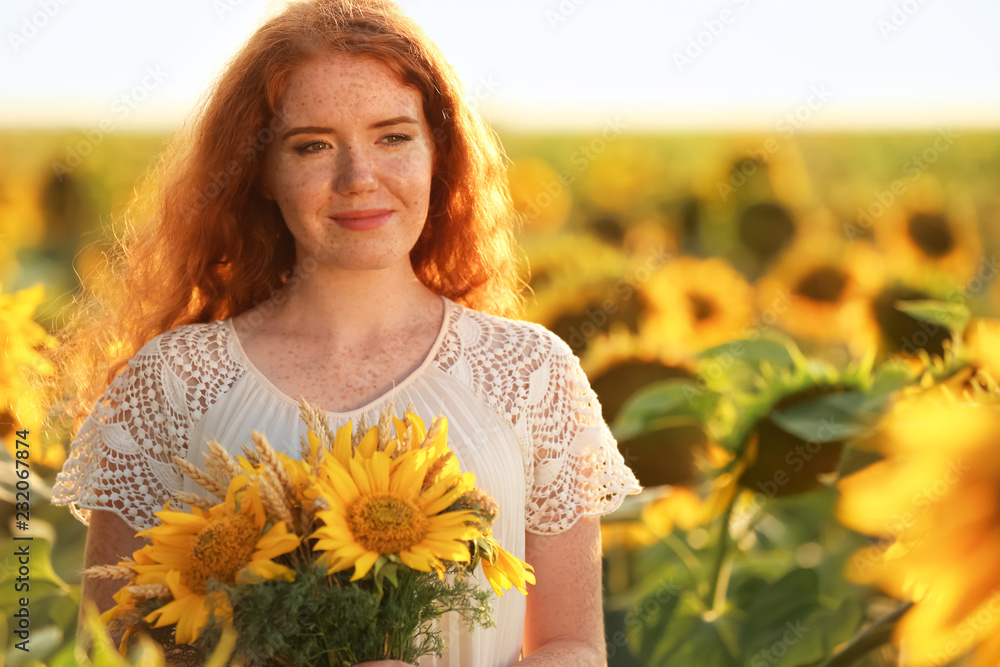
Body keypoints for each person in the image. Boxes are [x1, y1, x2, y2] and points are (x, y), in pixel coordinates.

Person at [51, 1, 641, 664]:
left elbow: (572, 644)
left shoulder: (531, 371)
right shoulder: (175, 379)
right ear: (262, 171)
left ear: (436, 153)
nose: (359, 178)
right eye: (313, 145)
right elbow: (109, 648)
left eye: (393, 137)